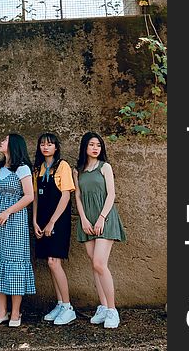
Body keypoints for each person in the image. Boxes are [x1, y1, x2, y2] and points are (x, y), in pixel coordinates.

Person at [73, 132, 126, 329]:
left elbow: (111, 194)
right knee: (94, 264)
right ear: (84, 147)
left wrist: (101, 218)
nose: (95, 148)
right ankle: (103, 307)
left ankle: (112, 310)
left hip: (105, 218)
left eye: (98, 145)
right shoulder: (78, 170)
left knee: (99, 263)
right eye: (91, 145)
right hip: (87, 220)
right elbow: (77, 197)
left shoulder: (105, 167)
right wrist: (84, 220)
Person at [0, 133, 35, 328]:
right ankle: (2, 311)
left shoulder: (22, 168)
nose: (1, 142)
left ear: (14, 145)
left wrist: (7, 211)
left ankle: (15, 313)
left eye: (5, 140)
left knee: (13, 261)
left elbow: (29, 196)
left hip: (15, 220)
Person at [32, 132, 76, 325]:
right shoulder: (38, 168)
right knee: (50, 263)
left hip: (58, 220)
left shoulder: (62, 166)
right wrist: (34, 221)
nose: (45, 147)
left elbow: (66, 196)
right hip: (41, 220)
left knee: (54, 262)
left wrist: (51, 222)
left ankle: (68, 306)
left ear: (56, 147)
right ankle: (59, 303)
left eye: (49, 144)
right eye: (42, 144)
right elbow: (35, 198)